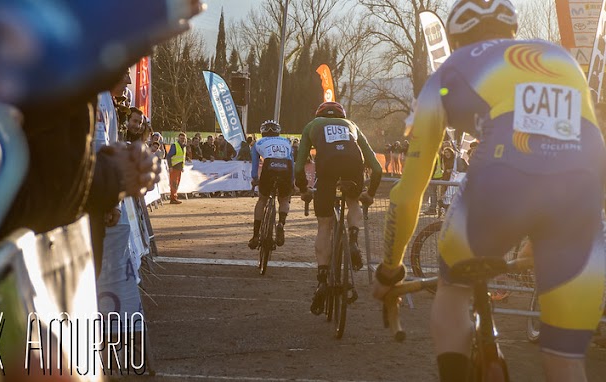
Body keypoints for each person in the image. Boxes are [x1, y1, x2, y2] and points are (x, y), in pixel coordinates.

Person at [372, 1, 606, 381]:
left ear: (456, 38)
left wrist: (389, 271)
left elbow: (408, 193)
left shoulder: (447, 72)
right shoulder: (560, 59)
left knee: (453, 289)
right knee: (565, 360)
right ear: (512, 31)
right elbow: (593, 150)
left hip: (501, 182)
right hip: (581, 188)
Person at [295, 101, 383, 315]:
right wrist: (369, 194)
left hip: (327, 169)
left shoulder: (312, 125)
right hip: (354, 166)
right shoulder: (351, 124)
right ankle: (353, 240)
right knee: (353, 201)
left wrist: (304, 189)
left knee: (324, 225)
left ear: (320, 114)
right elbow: (377, 168)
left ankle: (322, 279)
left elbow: (299, 166)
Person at [248, 120, 294, 249]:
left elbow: (255, 165)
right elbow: (292, 163)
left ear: (262, 132)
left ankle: (256, 235)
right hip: (286, 167)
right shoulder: (287, 142)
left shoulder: (258, 143)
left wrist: (255, 178)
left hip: (269, 167)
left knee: (262, 200)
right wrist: (293, 181)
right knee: (284, 199)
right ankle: (281, 224)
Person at [167, 132, 187, 204]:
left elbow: (182, 157)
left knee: (176, 183)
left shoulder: (183, 146)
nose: (182, 140)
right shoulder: (175, 145)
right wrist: (170, 166)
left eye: (183, 138)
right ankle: (173, 198)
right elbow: (168, 156)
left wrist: (182, 167)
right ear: (178, 138)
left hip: (179, 168)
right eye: (181, 138)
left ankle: (174, 197)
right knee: (174, 183)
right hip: (174, 167)